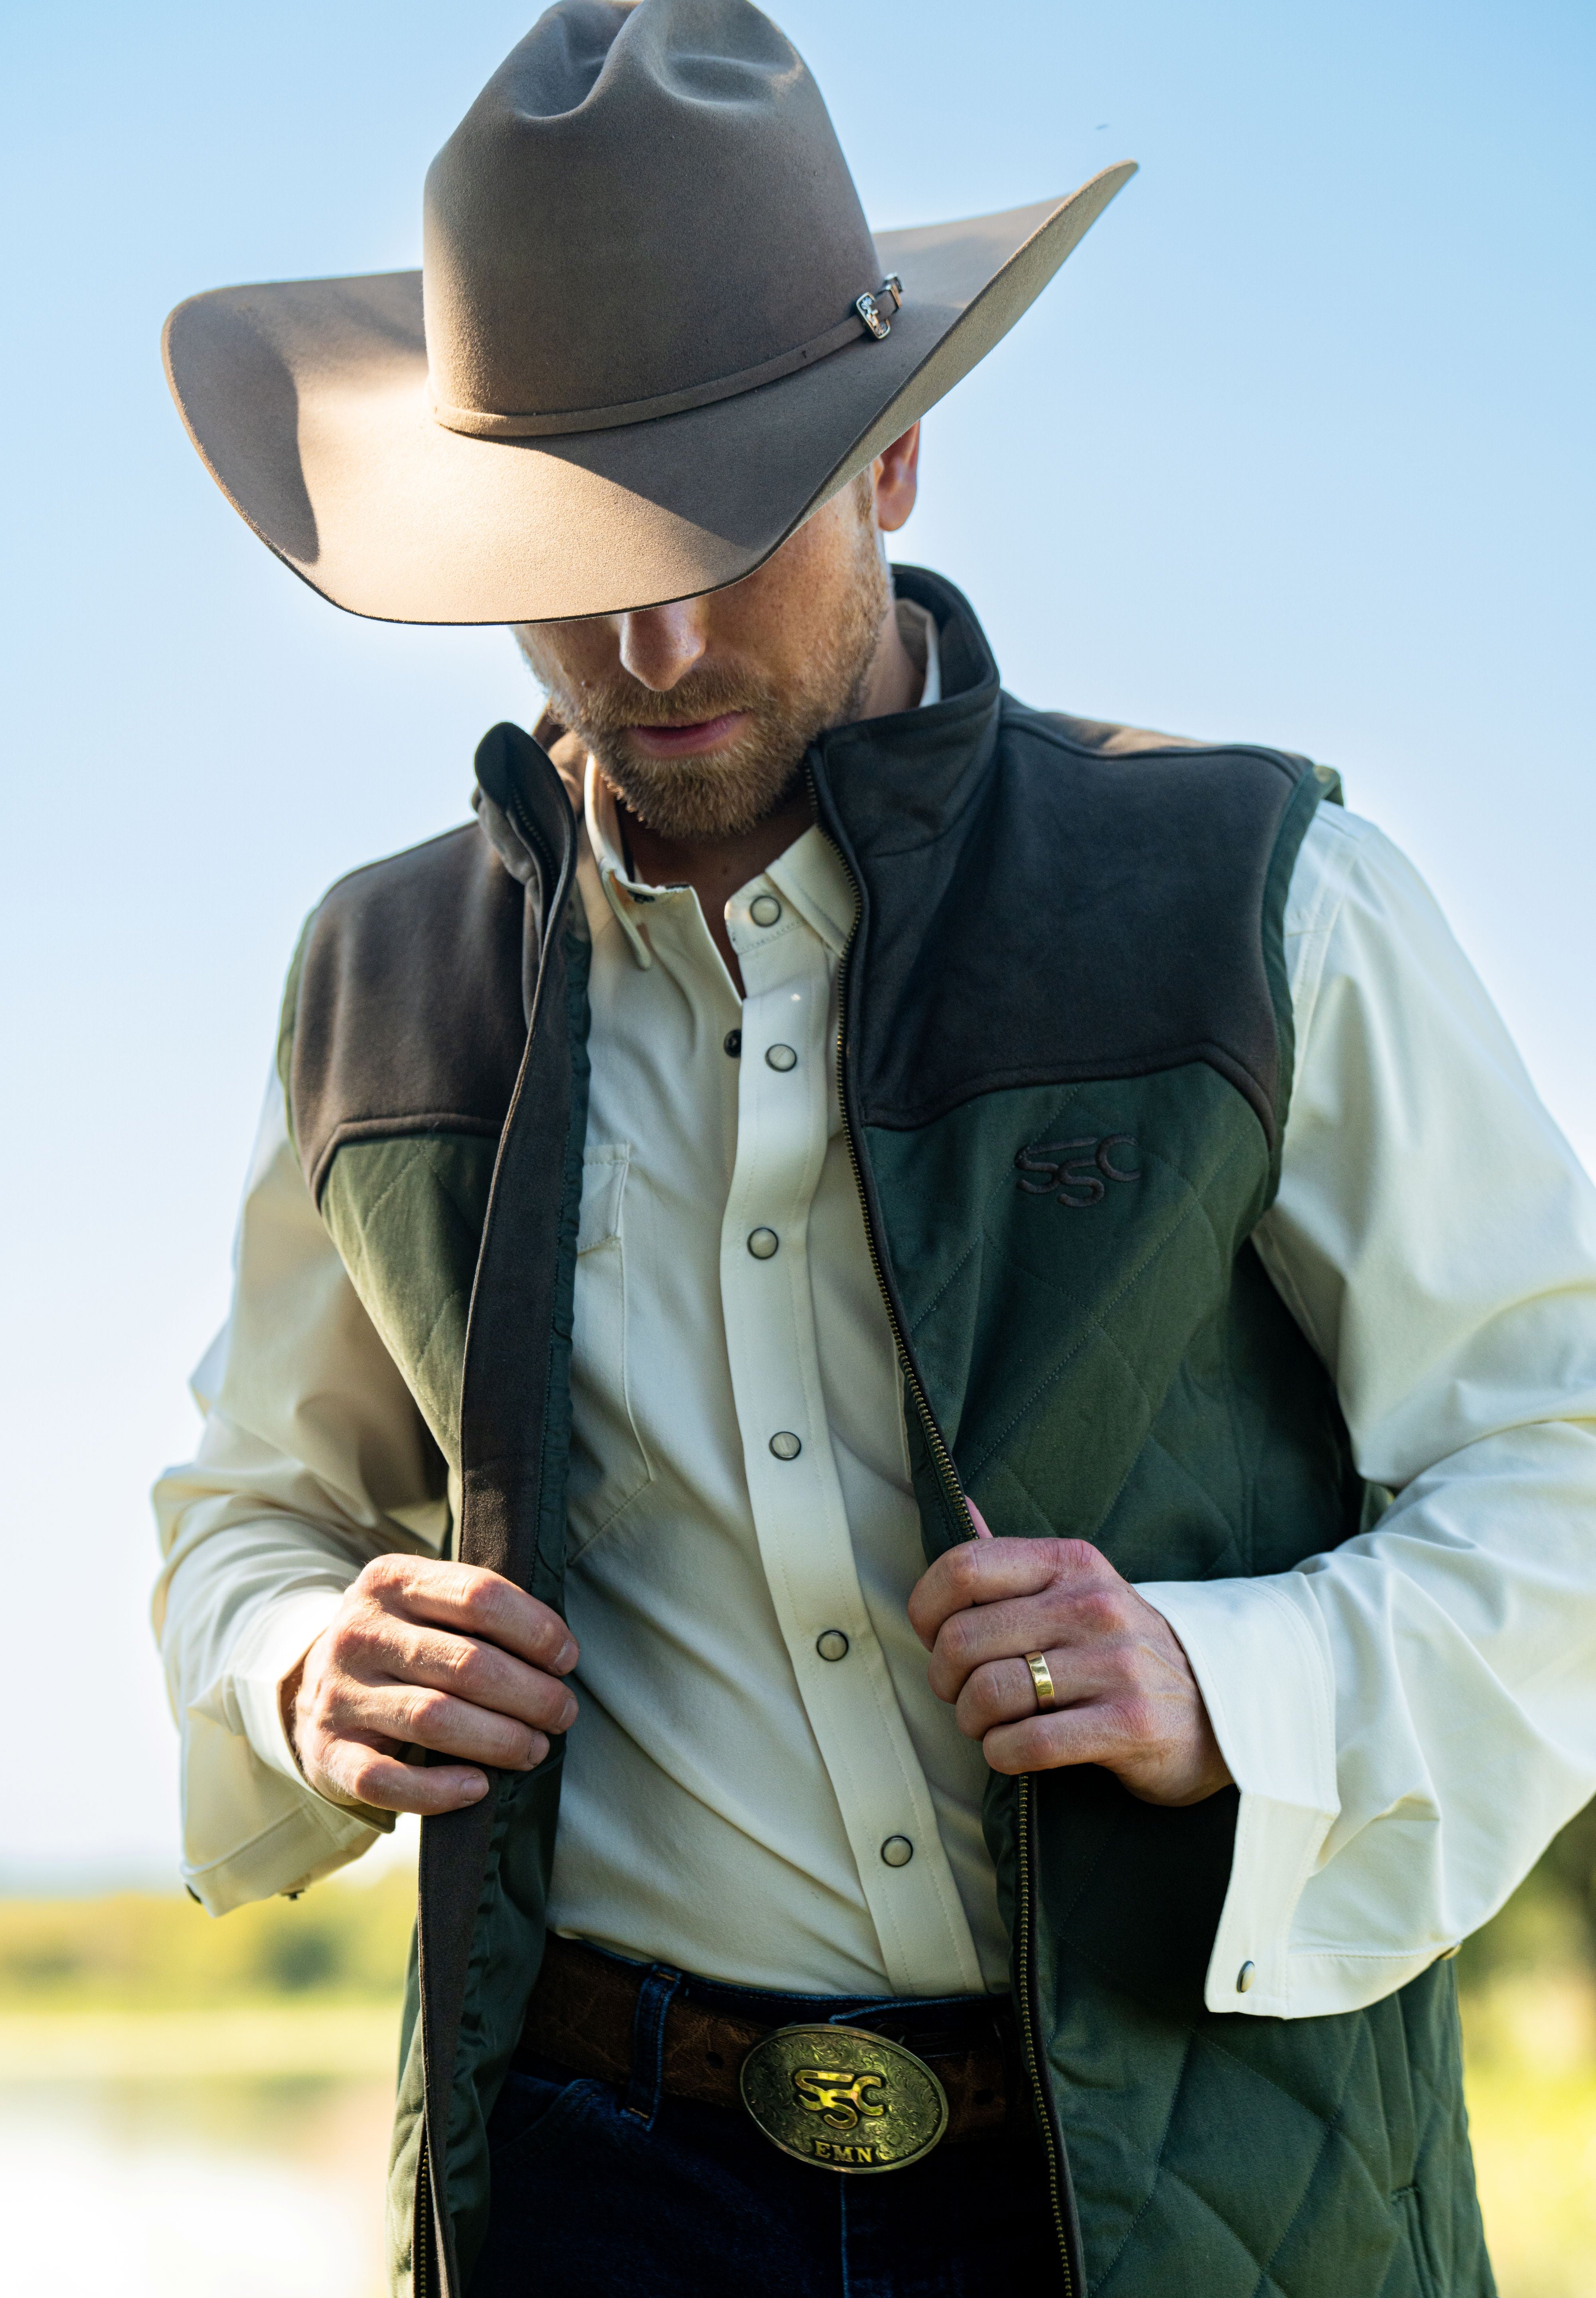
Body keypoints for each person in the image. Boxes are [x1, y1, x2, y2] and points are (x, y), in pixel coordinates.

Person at [152, 4, 1596, 2293]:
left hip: (1177, 2184)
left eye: (727, 529)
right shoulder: (376, 981)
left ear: (899, 456)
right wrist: (299, 1667)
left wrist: (1235, 1678)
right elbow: (248, 1514)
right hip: (592, 2188)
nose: (656, 636)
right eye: (577, 547)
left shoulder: (1256, 885)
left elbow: (1565, 1455)